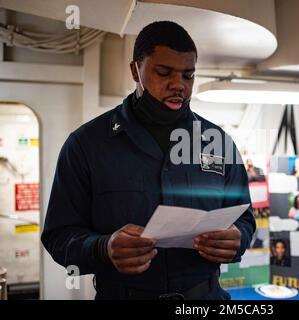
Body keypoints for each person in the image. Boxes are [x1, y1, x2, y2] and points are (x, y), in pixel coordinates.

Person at [41, 21, 256, 300]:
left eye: (188, 76)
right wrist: (103, 248)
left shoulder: (218, 142)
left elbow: (245, 218)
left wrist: (237, 238)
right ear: (135, 70)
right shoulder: (86, 145)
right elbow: (59, 236)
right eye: (164, 72)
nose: (178, 85)